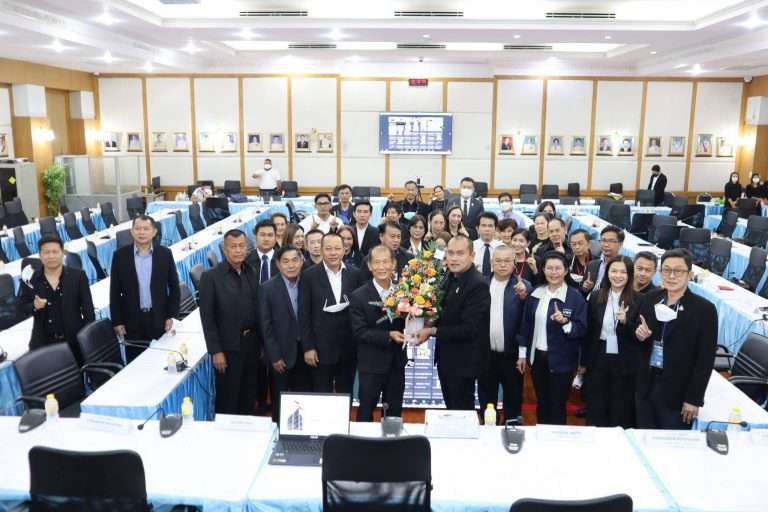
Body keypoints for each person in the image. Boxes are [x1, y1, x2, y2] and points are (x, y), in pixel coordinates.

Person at [633, 249, 717, 429]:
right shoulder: (650, 298)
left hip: (677, 391)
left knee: (670, 441)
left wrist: (694, 399)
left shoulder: (704, 310)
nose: (671, 276)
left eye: (678, 271)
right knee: (644, 436)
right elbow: (641, 333)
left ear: (690, 275)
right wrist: (640, 335)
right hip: (647, 384)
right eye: (666, 270)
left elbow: (705, 359)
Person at [416, 235, 490, 410]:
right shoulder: (447, 276)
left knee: (461, 411)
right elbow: (441, 310)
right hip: (446, 359)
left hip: (464, 362)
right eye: (450, 253)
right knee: (451, 408)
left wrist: (432, 331)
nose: (454, 258)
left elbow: (469, 329)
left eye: (460, 253)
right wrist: (425, 319)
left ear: (472, 256)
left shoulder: (477, 284)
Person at [517, 251, 587, 425]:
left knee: (557, 405)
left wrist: (565, 322)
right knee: (542, 403)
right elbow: (525, 325)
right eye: (549, 268)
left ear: (566, 271)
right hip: (538, 359)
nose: (553, 272)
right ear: (543, 270)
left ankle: (556, 439)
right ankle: (541, 435)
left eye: (558, 268)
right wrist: (522, 354)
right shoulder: (536, 293)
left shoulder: (575, 297)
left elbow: (581, 329)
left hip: (562, 361)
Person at [200, 229, 261, 415]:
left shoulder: (251, 271)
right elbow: (207, 318)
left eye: (241, 246)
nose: (238, 250)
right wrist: (216, 351)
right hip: (228, 349)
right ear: (224, 250)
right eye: (233, 247)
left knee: (249, 394)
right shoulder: (211, 277)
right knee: (229, 399)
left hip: (252, 344)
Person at [349, 245, 407, 422]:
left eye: (386, 262)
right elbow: (360, 332)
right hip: (371, 364)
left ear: (393, 264)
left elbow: (409, 321)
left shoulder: (404, 292)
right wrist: (389, 335)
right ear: (369, 266)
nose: (381, 267)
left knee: (394, 414)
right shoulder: (358, 296)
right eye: (377, 263)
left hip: (396, 364)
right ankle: (362, 441)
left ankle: (392, 440)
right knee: (366, 411)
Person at [299, 232, 362, 394]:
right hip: (320, 349)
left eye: (337, 248)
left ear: (344, 250)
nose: (333, 253)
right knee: (321, 394)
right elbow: (304, 314)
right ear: (321, 250)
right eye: (328, 249)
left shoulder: (355, 274)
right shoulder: (308, 275)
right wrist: (308, 347)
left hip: (348, 347)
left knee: (345, 393)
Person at [110, 215, 179, 359]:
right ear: (131, 231)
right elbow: (114, 292)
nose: (141, 232)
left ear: (154, 232)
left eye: (146, 229)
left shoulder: (165, 254)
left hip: (159, 318)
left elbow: (174, 287)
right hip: (132, 320)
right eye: (138, 229)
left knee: (161, 360)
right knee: (135, 362)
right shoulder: (119, 256)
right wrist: (117, 321)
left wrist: (171, 315)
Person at [584, 256, 639, 428]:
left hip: (624, 358)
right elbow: (589, 332)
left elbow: (640, 337)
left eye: (623, 272)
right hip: (598, 353)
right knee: (596, 401)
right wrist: (583, 362)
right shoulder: (596, 296)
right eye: (614, 271)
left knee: (620, 404)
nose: (618, 276)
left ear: (630, 275)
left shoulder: (639, 300)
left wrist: (626, 322)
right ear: (607, 273)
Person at [259, 245, 312, 423]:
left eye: (295, 260)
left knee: (303, 400)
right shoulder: (267, 288)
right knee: (280, 402)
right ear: (278, 264)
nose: (291, 265)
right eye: (286, 261)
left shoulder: (308, 283)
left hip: (305, 353)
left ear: (302, 261)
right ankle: (278, 433)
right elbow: (265, 326)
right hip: (280, 356)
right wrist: (274, 356)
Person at [478, 245, 531, 423]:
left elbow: (526, 322)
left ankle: (511, 431)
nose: (502, 265)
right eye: (498, 261)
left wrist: (522, 353)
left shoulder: (522, 286)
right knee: (486, 399)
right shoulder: (481, 284)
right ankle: (488, 430)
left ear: (514, 263)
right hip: (486, 355)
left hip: (512, 356)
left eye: (507, 261)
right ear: (491, 263)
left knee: (513, 400)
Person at [20, 235, 95, 361]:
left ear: (62, 253)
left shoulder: (78, 276)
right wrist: (34, 306)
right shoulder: (31, 279)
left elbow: (89, 312)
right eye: (46, 252)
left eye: (55, 252)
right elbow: (22, 307)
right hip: (44, 344)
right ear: (40, 255)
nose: (51, 256)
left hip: (75, 341)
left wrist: (86, 339)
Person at [583, 225, 625, 294]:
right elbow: (583, 289)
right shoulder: (592, 264)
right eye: (604, 240)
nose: (606, 245)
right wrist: (587, 287)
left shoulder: (623, 269)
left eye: (611, 241)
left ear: (620, 244)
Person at [473, 212, 503, 279]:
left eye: (490, 226)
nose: (487, 229)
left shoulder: (502, 247)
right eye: (483, 225)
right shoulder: (471, 247)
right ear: (477, 228)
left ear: (495, 228)